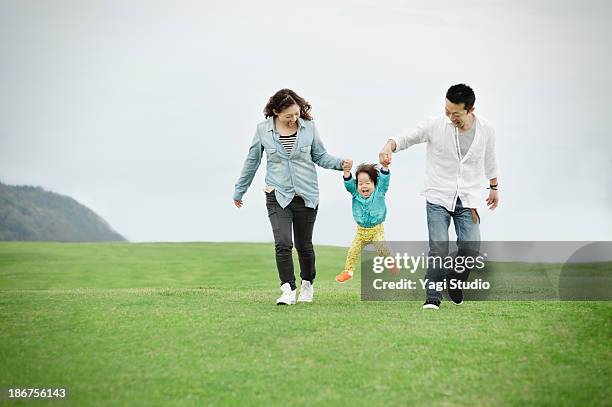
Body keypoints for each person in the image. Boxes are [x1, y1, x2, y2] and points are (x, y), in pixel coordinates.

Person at [379, 84, 499, 310]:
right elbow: (409, 136)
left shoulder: (486, 129)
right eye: (447, 110)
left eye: (455, 113)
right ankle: (432, 294)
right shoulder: (436, 125)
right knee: (439, 247)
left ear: (470, 110)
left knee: (471, 247)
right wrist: (389, 145)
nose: (450, 116)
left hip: (468, 198)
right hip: (438, 196)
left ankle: (455, 279)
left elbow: (490, 158)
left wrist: (494, 186)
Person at [233, 89, 349, 305]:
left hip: (306, 194)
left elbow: (320, 156)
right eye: (288, 116)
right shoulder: (263, 131)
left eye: (296, 114)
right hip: (277, 194)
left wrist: (339, 163)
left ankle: (307, 284)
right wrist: (240, 190)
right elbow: (252, 161)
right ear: (276, 112)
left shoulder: (309, 128)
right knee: (283, 243)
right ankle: (287, 289)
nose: (294, 119)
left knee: (304, 245)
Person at [336, 161, 397, 283]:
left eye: (367, 183)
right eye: (360, 183)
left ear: (374, 184)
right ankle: (348, 271)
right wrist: (347, 172)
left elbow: (384, 181)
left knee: (381, 247)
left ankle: (391, 262)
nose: (364, 186)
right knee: (353, 250)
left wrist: (385, 167)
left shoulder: (379, 192)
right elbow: (349, 184)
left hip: (376, 230)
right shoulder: (355, 193)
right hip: (361, 232)